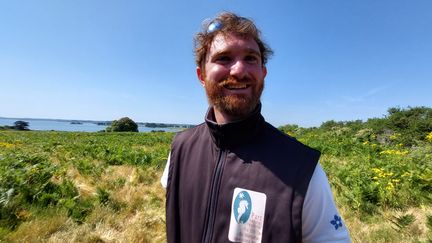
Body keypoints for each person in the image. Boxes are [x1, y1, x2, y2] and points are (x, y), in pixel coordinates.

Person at [161, 12, 351, 243]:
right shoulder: (180, 149)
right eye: (223, 58)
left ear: (263, 73)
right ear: (201, 75)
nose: (239, 71)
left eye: (251, 58)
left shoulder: (302, 168)